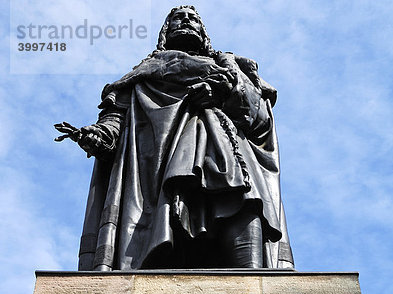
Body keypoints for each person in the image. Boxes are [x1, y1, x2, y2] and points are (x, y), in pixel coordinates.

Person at [55, 5, 294, 270]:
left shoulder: (231, 67)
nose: (186, 21)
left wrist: (224, 93)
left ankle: (258, 291)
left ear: (203, 33)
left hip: (228, 156)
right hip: (158, 172)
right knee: (168, 231)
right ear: (165, 32)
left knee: (244, 208)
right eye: (178, 18)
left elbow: (259, 120)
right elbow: (115, 121)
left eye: (193, 18)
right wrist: (97, 137)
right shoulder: (143, 75)